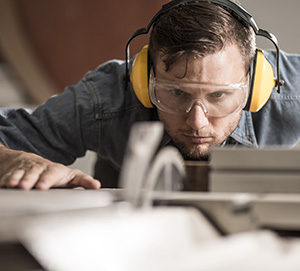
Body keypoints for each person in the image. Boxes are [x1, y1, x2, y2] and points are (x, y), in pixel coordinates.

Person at [0, 0, 299, 190]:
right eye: (176, 94)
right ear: (145, 78)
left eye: (219, 96)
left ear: (255, 84)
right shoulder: (108, 97)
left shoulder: (290, 90)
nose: (197, 122)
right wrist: (12, 159)